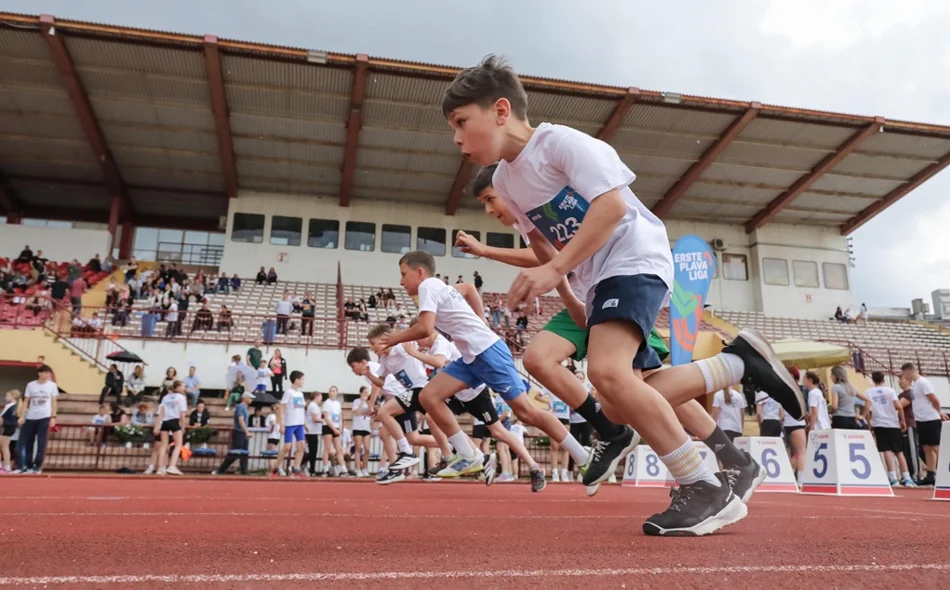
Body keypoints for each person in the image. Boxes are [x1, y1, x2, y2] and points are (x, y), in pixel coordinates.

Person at [459, 164, 772, 501]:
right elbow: (545, 256)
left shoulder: (550, 189)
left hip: (622, 285)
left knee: (637, 392)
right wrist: (560, 287)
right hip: (587, 298)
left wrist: (496, 253)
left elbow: (593, 228)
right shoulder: (529, 219)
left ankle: (721, 450)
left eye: (491, 199)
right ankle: (618, 432)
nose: (490, 211)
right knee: (540, 360)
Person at [405, 320, 544, 489]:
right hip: (457, 394)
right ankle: (458, 457)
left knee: (498, 431)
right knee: (432, 417)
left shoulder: (441, 342)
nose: (416, 343)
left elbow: (439, 362)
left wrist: (413, 353)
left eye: (417, 337)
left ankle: (534, 467)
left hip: (476, 393)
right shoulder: (433, 348)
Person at [863, 371, 915, 487]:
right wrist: (902, 421)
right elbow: (899, 406)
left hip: (879, 423)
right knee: (898, 451)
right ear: (884, 379)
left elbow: (867, 408)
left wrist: (868, 422)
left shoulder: (868, 392)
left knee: (886, 450)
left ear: (873, 380)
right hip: (892, 423)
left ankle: (893, 478)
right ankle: (907, 477)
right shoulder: (890, 390)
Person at [902, 362, 948, 486]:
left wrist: (939, 412)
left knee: (935, 447)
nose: (904, 377)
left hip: (930, 418)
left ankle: (946, 470)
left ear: (909, 371)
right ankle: (931, 474)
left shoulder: (923, 383)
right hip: (921, 419)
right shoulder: (915, 385)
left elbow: (934, 399)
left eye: (905, 374)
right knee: (926, 448)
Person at [16, 365, 58, 474]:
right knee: (29, 441)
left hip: (44, 415)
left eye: (48, 374)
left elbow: (54, 401)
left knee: (41, 441)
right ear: (40, 373)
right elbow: (26, 401)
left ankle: (38, 465)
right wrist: (22, 415)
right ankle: (29, 464)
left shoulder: (52, 386)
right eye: (45, 373)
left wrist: (53, 416)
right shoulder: (31, 385)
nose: (47, 375)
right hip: (31, 415)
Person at [272, 370, 308, 478]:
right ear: (296, 380)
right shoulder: (288, 393)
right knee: (287, 447)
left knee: (301, 446)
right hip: (290, 424)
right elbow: (280, 408)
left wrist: (305, 423)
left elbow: (301, 410)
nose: (303, 382)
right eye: (302, 380)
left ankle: (296, 468)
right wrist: (281, 424)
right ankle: (276, 467)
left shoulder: (300, 394)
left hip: (299, 424)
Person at [213, 391, 254, 476]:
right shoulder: (240, 407)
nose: (251, 400)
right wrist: (246, 431)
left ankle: (244, 470)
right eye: (250, 398)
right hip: (239, 432)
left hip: (242, 432)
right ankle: (221, 469)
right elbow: (240, 419)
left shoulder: (244, 408)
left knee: (244, 453)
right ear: (245, 398)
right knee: (235, 453)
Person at [154, 380, 188, 476]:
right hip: (174, 421)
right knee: (178, 444)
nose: (184, 388)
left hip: (165, 421)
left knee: (164, 445)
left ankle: (160, 468)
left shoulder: (166, 397)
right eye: (182, 386)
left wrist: (158, 425)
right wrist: (183, 426)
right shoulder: (181, 398)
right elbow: (182, 413)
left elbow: (161, 412)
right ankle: (172, 466)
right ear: (177, 387)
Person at [321, 386, 349, 477]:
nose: (332, 392)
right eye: (331, 391)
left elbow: (340, 416)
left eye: (334, 391)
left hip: (336, 427)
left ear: (337, 392)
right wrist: (333, 429)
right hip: (328, 426)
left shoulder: (338, 403)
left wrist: (340, 428)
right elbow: (327, 417)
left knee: (339, 449)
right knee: (327, 447)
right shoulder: (326, 403)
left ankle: (343, 469)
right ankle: (325, 468)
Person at [351, 386, 372, 478]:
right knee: (358, 448)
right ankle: (358, 468)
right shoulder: (356, 401)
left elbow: (371, 415)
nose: (366, 394)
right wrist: (362, 402)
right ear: (361, 393)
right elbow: (357, 412)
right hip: (358, 427)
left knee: (367, 449)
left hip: (366, 427)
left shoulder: (369, 403)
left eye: (367, 393)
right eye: (364, 392)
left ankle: (365, 468)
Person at [304, 391, 324, 476]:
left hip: (312, 431)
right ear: (316, 397)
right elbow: (315, 419)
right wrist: (325, 421)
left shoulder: (311, 405)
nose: (321, 399)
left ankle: (311, 469)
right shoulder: (313, 406)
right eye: (320, 397)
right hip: (312, 431)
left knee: (313, 451)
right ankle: (310, 469)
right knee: (313, 452)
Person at [1, 390, 20, 473]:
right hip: (9, 427)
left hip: (6, 427)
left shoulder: (11, 406)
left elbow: (3, 418)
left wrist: (2, 423)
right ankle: (5, 466)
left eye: (7, 396)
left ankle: (6, 467)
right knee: (4, 447)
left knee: (4, 447)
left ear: (13, 397)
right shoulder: (14, 406)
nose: (6, 397)